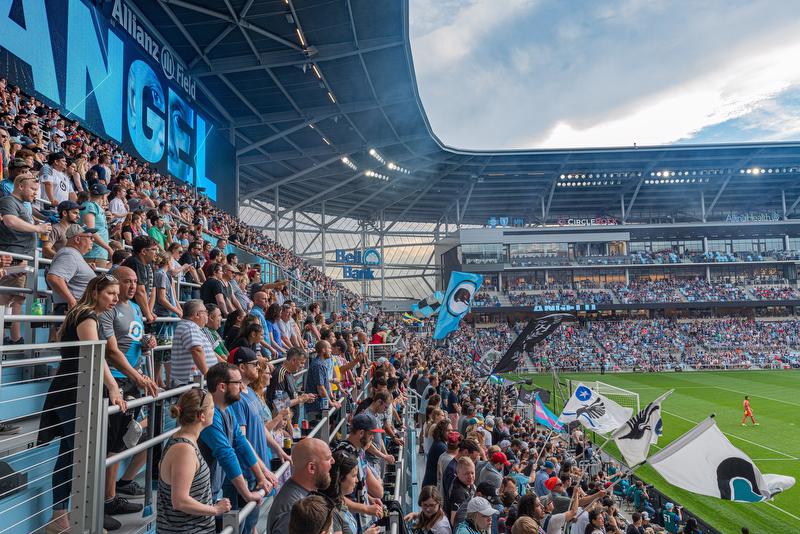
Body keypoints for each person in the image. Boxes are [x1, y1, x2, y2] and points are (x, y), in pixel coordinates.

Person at [38, 275, 127, 533]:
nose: (116, 299)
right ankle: (72, 517)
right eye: (111, 293)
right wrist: (112, 386)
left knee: (71, 453)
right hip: (73, 391)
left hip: (75, 390)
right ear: (96, 292)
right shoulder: (87, 316)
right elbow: (95, 355)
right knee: (78, 454)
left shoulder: (85, 314)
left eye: (117, 294)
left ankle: (64, 516)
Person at [99, 266, 159, 527]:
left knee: (123, 438)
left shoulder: (134, 308)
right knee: (111, 441)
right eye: (127, 281)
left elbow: (132, 340)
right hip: (115, 379)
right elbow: (111, 351)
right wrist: (136, 376)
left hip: (132, 378)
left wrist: (147, 342)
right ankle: (106, 498)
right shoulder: (108, 309)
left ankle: (112, 494)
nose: (132, 286)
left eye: (135, 281)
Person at [198, 362, 274, 534]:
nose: (242, 387)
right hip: (200, 494)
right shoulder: (209, 415)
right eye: (237, 383)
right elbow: (226, 453)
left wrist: (261, 477)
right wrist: (247, 493)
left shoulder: (227, 409)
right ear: (222, 386)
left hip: (212, 489)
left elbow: (241, 442)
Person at [157, 388, 231, 533]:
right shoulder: (184, 451)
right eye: (211, 407)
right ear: (201, 416)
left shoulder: (184, 442)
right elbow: (180, 501)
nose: (214, 410)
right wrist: (215, 509)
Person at [0, 173, 51, 344]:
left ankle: (15, 338)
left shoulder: (23, 205)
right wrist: (37, 229)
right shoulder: (9, 201)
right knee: (4, 298)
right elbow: (10, 221)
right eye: (33, 189)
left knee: (18, 298)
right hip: (13, 256)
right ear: (21, 186)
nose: (36, 193)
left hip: (22, 257)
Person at [267, 437, 335, 534]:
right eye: (328, 458)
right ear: (311, 468)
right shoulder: (293, 510)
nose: (333, 461)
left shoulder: (304, 492)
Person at [320, 450, 381, 534]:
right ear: (340, 478)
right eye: (354, 476)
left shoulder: (339, 501)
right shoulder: (331, 512)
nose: (357, 480)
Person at [45, 224, 97, 313]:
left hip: (79, 308)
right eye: (90, 237)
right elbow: (55, 278)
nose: (93, 240)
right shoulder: (69, 254)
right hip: (73, 309)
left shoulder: (73, 254)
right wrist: (72, 303)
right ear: (77, 239)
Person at [171, 299, 220, 385]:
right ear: (197, 314)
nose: (207, 316)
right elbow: (197, 351)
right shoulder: (190, 327)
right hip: (193, 382)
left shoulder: (191, 326)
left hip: (194, 381)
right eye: (205, 312)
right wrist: (208, 375)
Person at [122, 235, 158, 324]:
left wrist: (149, 311)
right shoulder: (135, 262)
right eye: (153, 249)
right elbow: (139, 292)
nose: (156, 252)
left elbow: (153, 290)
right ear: (144, 251)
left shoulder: (149, 265)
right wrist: (148, 314)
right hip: (127, 309)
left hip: (139, 310)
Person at [81, 182, 114, 268]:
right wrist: (109, 248)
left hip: (99, 254)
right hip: (92, 255)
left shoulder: (97, 208)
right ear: (103, 196)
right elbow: (90, 231)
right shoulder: (89, 206)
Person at [447, 457, 477, 527]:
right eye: (466, 474)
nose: (470, 476)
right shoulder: (458, 493)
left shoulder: (468, 484)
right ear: (458, 473)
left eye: (472, 473)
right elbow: (454, 521)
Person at [424, 420, 450, 487]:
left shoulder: (439, 443)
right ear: (441, 432)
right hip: (432, 486)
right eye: (448, 431)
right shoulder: (441, 446)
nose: (451, 433)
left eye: (452, 430)